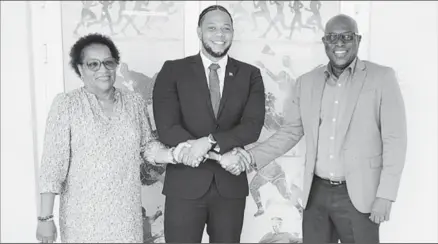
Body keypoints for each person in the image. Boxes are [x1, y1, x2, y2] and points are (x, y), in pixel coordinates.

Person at [231, 14, 407, 243]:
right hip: (316, 194)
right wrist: (249, 157)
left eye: (347, 37)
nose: (340, 43)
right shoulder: (307, 82)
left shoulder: (382, 78)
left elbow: (395, 140)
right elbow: (289, 132)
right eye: (333, 38)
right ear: (325, 42)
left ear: (358, 40)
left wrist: (386, 195)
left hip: (360, 196)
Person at [35, 33, 188, 243]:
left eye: (108, 63)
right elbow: (52, 165)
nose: (103, 70)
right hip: (82, 219)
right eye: (93, 64)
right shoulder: (67, 105)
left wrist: (172, 154)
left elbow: (147, 147)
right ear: (80, 69)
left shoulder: (134, 103)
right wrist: (45, 218)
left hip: (126, 217)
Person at [152, 5, 265, 243]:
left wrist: (210, 141)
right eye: (211, 28)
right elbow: (167, 127)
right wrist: (215, 154)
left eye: (226, 28)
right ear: (199, 31)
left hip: (230, 187)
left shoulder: (250, 74)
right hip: (185, 184)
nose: (219, 34)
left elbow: (253, 126)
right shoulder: (173, 70)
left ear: (233, 32)